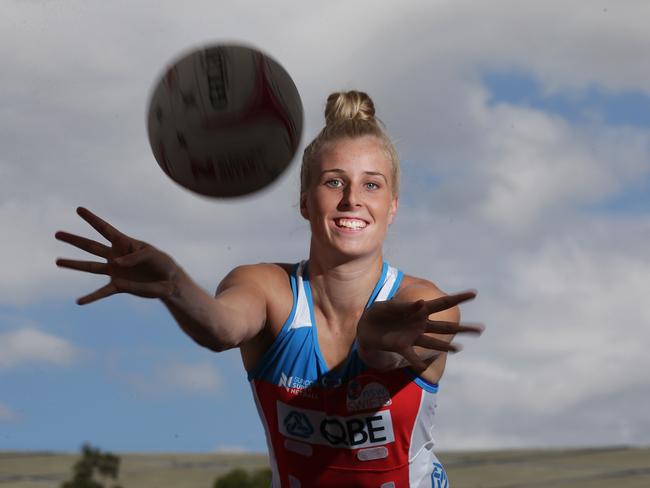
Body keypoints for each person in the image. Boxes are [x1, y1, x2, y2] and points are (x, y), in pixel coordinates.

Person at [56, 90, 483, 488]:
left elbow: (384, 354)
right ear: (304, 201)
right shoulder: (266, 288)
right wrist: (174, 284)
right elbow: (221, 329)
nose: (353, 198)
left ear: (392, 207)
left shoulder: (423, 304)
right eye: (334, 182)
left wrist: (374, 343)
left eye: (371, 184)